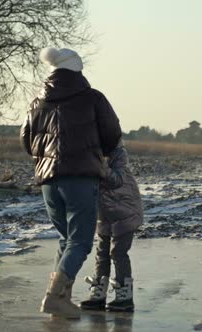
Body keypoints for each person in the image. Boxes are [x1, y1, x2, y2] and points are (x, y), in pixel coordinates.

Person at [20, 47, 122, 319]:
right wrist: (99, 153)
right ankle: (54, 297)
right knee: (80, 241)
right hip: (80, 177)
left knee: (66, 239)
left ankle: (60, 300)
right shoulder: (93, 98)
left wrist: (46, 158)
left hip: (48, 180)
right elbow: (112, 134)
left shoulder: (36, 102)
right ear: (77, 70)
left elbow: (27, 141)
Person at [79, 140, 143, 312]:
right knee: (102, 253)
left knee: (118, 252)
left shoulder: (118, 157)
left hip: (125, 212)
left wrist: (98, 166)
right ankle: (98, 293)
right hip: (105, 213)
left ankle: (125, 296)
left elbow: (116, 179)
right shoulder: (91, 155)